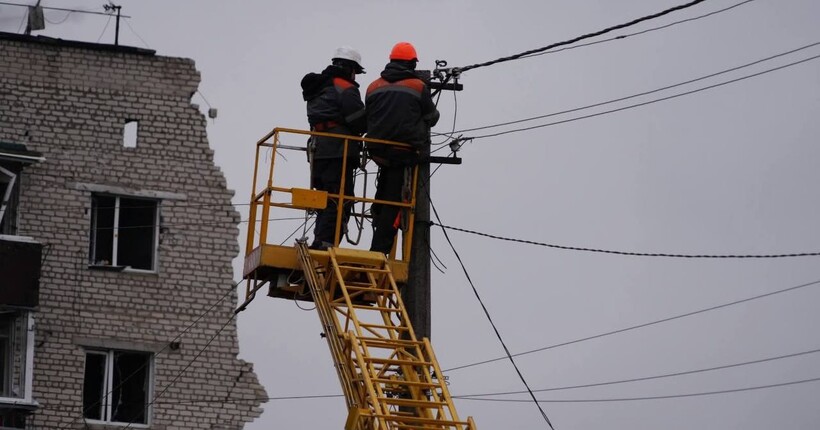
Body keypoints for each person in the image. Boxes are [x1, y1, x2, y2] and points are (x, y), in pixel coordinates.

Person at [365, 42, 440, 254]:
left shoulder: (373, 86)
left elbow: (368, 116)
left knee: (385, 191)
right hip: (403, 152)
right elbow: (432, 117)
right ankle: (379, 250)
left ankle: (377, 216)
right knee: (395, 203)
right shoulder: (418, 86)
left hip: (377, 151)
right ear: (412, 64)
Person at [300, 46, 367, 250]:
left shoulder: (317, 86)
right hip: (338, 150)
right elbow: (359, 121)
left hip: (318, 149)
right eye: (355, 71)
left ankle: (320, 240)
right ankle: (326, 243)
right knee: (340, 198)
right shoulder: (345, 88)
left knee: (324, 198)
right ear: (350, 68)